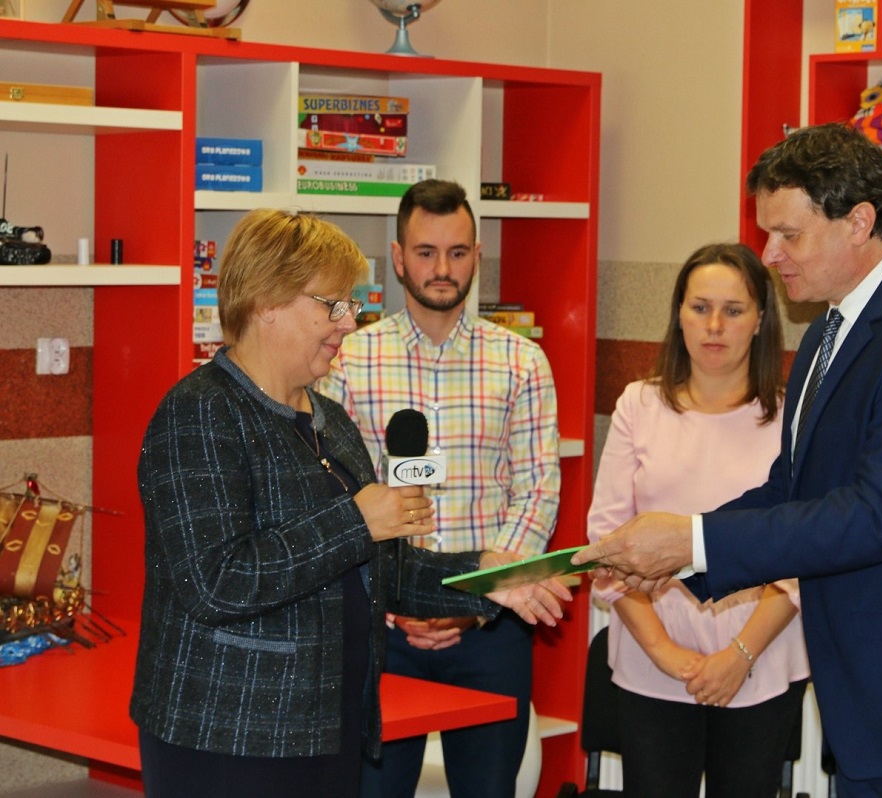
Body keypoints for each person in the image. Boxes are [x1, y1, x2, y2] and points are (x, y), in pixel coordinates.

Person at [573, 123, 882, 798]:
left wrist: (693, 540)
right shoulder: (833, 328)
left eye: (788, 235)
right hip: (875, 702)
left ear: (858, 222)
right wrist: (674, 550)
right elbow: (793, 486)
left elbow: (875, 515)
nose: (770, 254)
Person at [131, 208, 570, 798]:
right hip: (227, 736)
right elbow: (214, 581)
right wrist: (357, 520)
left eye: (351, 303)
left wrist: (487, 576)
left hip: (328, 728)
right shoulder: (199, 412)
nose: (349, 320)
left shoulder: (330, 419)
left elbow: (379, 569)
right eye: (332, 304)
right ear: (266, 300)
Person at [317, 179, 560, 798]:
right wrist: (398, 598)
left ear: (477, 255)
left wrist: (478, 596)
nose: (443, 268)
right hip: (382, 630)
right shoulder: (348, 359)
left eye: (457, 252)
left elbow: (538, 490)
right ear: (399, 258)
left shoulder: (521, 362)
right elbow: (331, 490)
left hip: (490, 631)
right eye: (426, 252)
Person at [587, 242, 810, 798]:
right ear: (679, 314)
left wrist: (739, 656)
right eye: (700, 307)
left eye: (733, 310)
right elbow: (605, 542)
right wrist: (666, 652)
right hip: (651, 662)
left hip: (759, 663)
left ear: (760, 319)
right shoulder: (639, 405)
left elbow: (805, 548)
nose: (714, 326)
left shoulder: (794, 417)